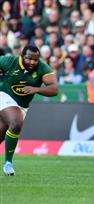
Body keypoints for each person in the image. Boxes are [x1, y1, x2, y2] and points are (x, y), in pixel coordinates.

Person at [0, 45, 58, 176]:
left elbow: (54, 89)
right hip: (3, 94)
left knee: (3, 132)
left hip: (22, 105)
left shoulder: (43, 68)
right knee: (16, 122)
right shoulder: (9, 62)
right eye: (29, 58)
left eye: (35, 59)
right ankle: (8, 163)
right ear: (21, 56)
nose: (32, 62)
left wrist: (36, 89)